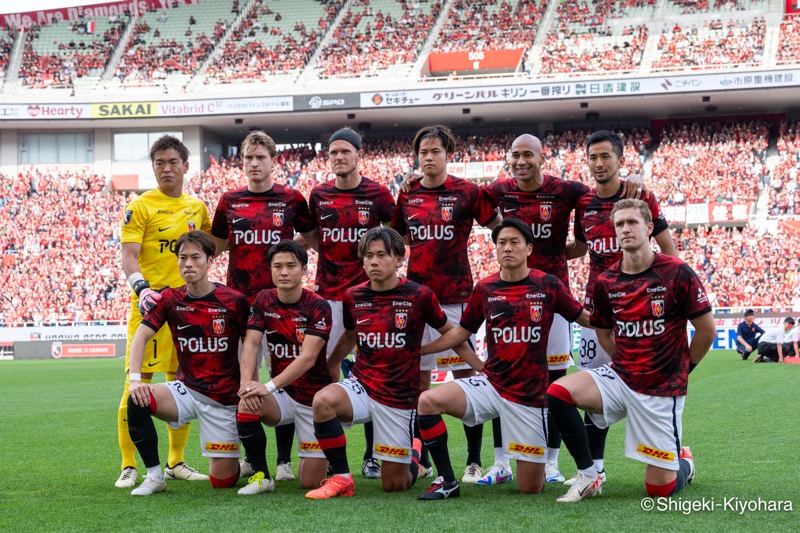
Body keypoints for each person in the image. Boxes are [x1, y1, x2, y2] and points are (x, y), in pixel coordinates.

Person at [484, 133, 645, 484]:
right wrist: (411, 180)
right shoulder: (498, 190)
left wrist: (637, 180)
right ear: (509, 159)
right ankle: (499, 464)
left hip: (553, 300)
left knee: (556, 381)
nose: (522, 161)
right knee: (503, 375)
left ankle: (553, 464)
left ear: (543, 158)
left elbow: (590, 229)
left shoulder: (568, 191)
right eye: (515, 155)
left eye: (529, 154)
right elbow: (463, 197)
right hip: (508, 299)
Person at [547, 199, 716, 503]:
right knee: (558, 393)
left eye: (632, 222)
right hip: (621, 376)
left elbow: (706, 331)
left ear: (650, 228)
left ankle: (684, 461)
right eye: (619, 224)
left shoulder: (677, 272)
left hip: (662, 388)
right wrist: (624, 361)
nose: (625, 229)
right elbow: (603, 330)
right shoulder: (607, 280)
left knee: (659, 490)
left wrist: (681, 369)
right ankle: (589, 474)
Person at [416, 219, 591, 500]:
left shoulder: (548, 285)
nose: (507, 248)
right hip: (492, 385)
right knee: (427, 401)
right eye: (501, 243)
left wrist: (623, 326)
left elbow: (583, 317)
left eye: (514, 242)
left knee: (530, 487)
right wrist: (423, 351)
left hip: (529, 397)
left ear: (529, 248)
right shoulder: (485, 288)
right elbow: (461, 332)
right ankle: (447, 479)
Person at [305, 227, 480, 499]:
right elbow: (350, 335)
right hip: (362, 385)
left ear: (399, 258)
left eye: (382, 255)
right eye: (368, 256)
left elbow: (453, 335)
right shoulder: (353, 296)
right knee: (322, 401)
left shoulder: (420, 295)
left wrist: (480, 367)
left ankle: (416, 447)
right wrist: (331, 362)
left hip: (399, 397)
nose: (373, 261)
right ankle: (341, 477)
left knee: (394, 485)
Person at [566, 130, 678, 486]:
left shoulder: (641, 197)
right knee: (591, 396)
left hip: (641, 314)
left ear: (621, 161)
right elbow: (581, 249)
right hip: (597, 312)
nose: (599, 164)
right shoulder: (583, 204)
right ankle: (594, 470)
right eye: (593, 158)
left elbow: (670, 252)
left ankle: (671, 454)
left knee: (647, 388)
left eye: (605, 157)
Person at [393, 124, 501, 484]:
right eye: (423, 152)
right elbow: (401, 239)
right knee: (420, 382)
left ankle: (473, 460)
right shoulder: (406, 195)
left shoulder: (468, 192)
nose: (428, 157)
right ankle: (421, 458)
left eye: (435, 151)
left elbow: (500, 227)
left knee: (467, 377)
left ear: (448, 154)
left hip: (456, 298)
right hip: (417, 299)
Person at [211, 130, 316, 482]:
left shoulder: (291, 198)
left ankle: (284, 461)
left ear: (274, 160)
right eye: (248, 158)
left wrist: (289, 249)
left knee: (282, 380)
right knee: (245, 379)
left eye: (260, 157)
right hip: (241, 305)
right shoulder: (229, 200)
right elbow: (219, 243)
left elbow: (313, 238)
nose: (254, 164)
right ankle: (252, 458)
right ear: (241, 163)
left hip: (283, 304)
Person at [116, 135, 211, 489]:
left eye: (173, 162)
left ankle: (175, 461)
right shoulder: (140, 206)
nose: (166, 169)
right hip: (151, 307)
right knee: (136, 384)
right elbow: (128, 255)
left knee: (182, 384)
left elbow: (208, 251)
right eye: (159, 163)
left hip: (187, 311)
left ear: (186, 165)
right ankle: (128, 465)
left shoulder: (197, 208)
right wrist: (142, 289)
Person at [126, 231, 249, 496]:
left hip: (223, 398)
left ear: (210, 260)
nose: (188, 264)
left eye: (195, 257)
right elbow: (141, 336)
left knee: (222, 481)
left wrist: (247, 384)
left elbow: (250, 346)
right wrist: (135, 378)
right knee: (136, 399)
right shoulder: (170, 298)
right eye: (183, 258)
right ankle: (155, 476)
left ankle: (246, 462)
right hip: (186, 391)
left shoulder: (234, 301)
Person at [306, 128, 396, 479]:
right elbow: (315, 237)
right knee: (323, 372)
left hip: (370, 300)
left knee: (374, 374)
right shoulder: (319, 195)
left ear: (359, 155)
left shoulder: (378, 194)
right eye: (333, 153)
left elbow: (394, 237)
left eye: (345, 151)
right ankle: (332, 456)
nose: (339, 157)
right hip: (328, 297)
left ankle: (373, 456)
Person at [235, 240, 333, 494]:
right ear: (270, 270)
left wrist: (267, 386)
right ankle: (262, 477)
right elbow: (251, 344)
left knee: (310, 483)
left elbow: (308, 358)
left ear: (304, 269)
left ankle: (328, 453)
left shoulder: (319, 306)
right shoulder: (264, 299)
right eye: (277, 266)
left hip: (315, 401)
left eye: (291, 265)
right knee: (246, 401)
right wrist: (247, 384)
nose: (284, 271)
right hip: (283, 396)